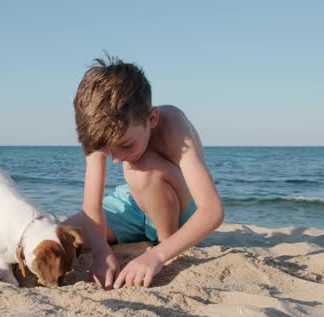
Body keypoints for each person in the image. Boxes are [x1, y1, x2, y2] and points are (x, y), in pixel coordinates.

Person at [62, 55, 224, 289]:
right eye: (106, 150)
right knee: (61, 236)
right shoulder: (98, 129)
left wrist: (156, 256)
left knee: (138, 170)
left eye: (126, 145)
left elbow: (212, 211)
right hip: (133, 202)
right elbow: (92, 208)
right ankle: (140, 238)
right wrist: (100, 252)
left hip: (177, 208)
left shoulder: (173, 125)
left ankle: (166, 244)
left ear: (152, 118)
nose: (115, 159)